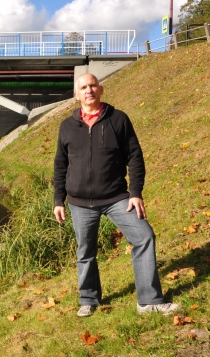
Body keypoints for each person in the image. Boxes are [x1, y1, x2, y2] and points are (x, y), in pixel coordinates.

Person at [53, 73, 180, 317]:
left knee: (144, 237)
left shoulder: (118, 119)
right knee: (85, 252)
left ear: (100, 89)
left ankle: (149, 300)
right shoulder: (67, 126)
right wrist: (58, 200)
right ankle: (89, 299)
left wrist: (135, 192)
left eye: (92, 85)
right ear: (77, 94)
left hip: (116, 198)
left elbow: (135, 157)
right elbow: (60, 165)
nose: (88, 90)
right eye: (83, 87)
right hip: (79, 203)